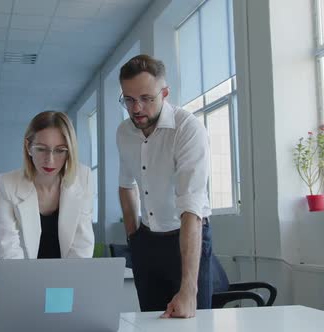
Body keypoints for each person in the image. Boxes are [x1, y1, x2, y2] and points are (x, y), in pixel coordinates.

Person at [116, 54, 213, 318]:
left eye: (146, 98)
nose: (137, 108)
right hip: (146, 240)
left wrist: (188, 290)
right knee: (149, 321)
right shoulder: (124, 133)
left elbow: (191, 207)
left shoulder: (188, 129)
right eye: (129, 99)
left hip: (186, 236)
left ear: (165, 93)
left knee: (190, 320)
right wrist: (133, 238)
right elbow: (126, 186)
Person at [0, 111, 94, 259]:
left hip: (69, 276)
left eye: (60, 150)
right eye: (41, 149)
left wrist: (71, 281)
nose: (50, 160)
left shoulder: (83, 178)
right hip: (23, 276)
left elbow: (82, 245)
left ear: (69, 152)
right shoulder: (6, 184)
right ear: (28, 147)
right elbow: (8, 249)